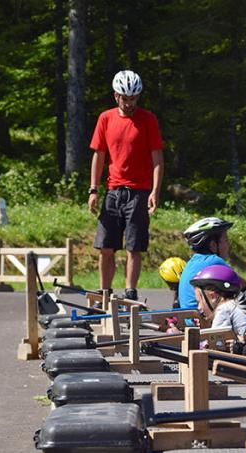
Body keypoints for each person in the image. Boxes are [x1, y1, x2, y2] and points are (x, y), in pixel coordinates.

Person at [87, 70, 164, 301]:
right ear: (116, 96)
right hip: (113, 190)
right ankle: (104, 293)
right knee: (105, 246)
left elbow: (157, 159)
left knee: (134, 246)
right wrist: (93, 189)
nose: (130, 103)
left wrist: (155, 191)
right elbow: (99, 156)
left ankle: (130, 292)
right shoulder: (106, 118)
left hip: (139, 192)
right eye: (125, 98)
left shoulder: (148, 120)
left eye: (134, 98)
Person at [189, 264, 246, 339]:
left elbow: (214, 342)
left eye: (198, 302)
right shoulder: (239, 302)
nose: (198, 307)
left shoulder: (224, 310)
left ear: (213, 296)